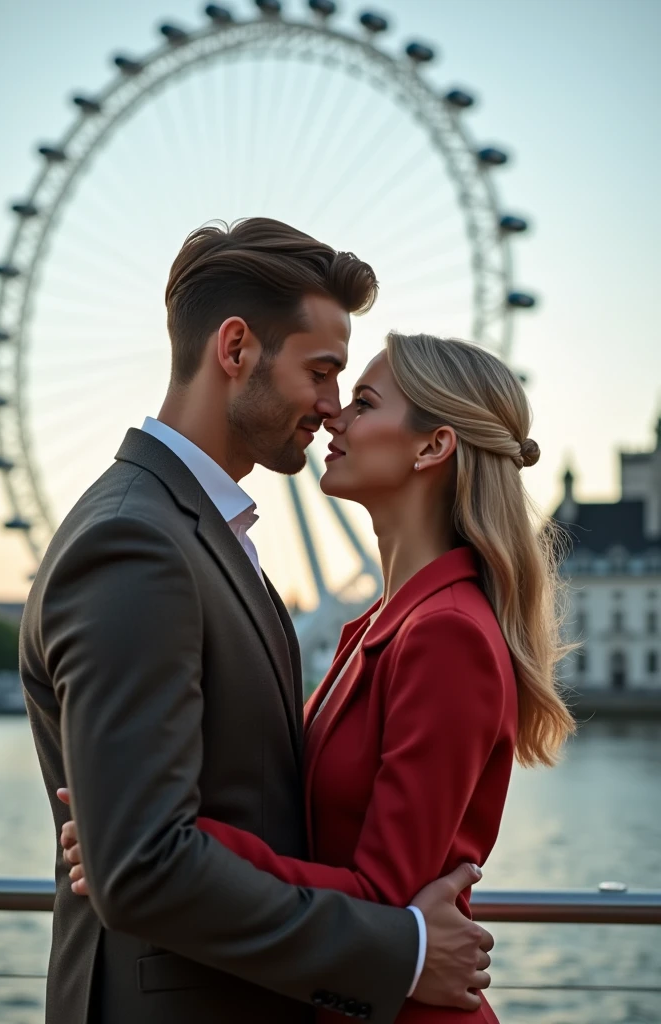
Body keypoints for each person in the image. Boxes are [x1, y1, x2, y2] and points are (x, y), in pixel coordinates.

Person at [20, 218, 494, 1024]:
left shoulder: (200, 539)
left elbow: (165, 841)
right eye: (322, 371)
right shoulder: (137, 542)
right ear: (235, 350)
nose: (333, 407)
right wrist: (404, 950)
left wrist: (123, 845)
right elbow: (142, 868)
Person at [60, 331, 576, 1022]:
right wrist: (126, 824)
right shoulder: (378, 628)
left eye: (363, 402)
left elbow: (386, 897)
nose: (335, 415)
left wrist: (170, 849)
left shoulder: (447, 634)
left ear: (432, 447)